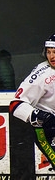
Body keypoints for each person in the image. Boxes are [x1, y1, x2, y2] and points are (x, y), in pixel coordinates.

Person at [10, 33, 55, 169]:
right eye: (49, 52)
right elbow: (15, 105)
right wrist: (39, 116)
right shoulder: (42, 75)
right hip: (48, 132)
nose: (51, 56)